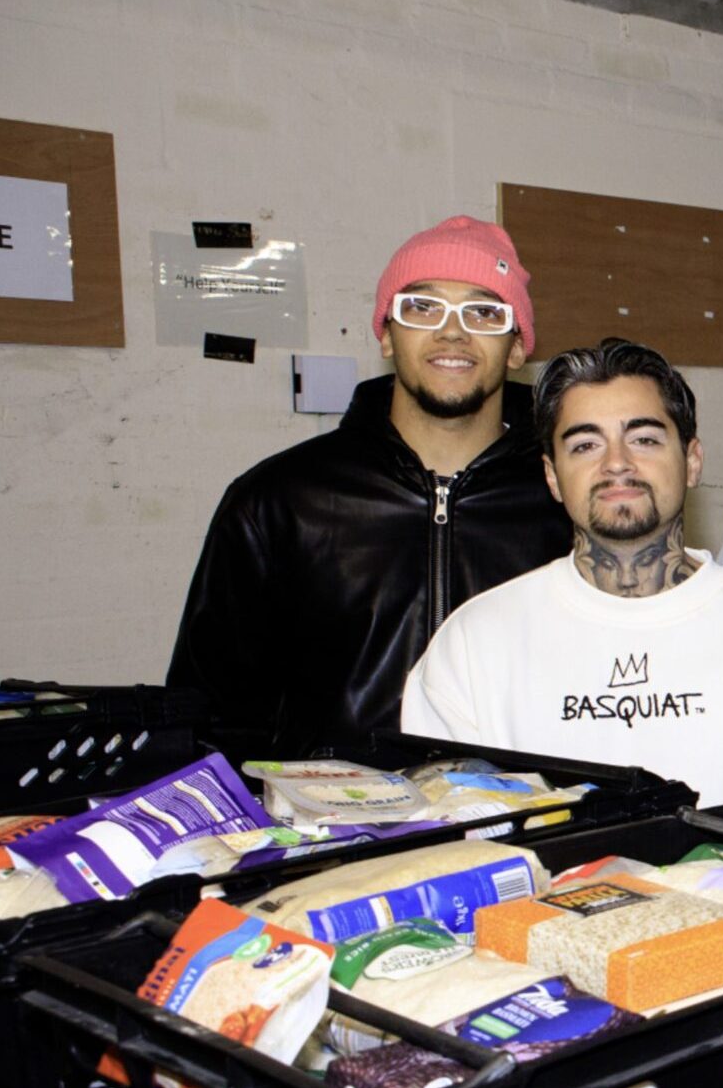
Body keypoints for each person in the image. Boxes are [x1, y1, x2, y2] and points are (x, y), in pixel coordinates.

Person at [169, 216, 570, 754]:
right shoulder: (279, 502)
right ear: (385, 332)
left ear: (518, 346)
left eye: (483, 311)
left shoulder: (567, 499)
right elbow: (208, 719)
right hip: (332, 833)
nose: (453, 331)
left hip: (525, 824)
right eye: (422, 306)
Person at [399, 338, 723, 812]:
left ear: (692, 460)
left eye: (644, 439)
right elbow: (454, 845)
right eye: (586, 444)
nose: (617, 463)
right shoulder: (473, 645)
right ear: (552, 476)